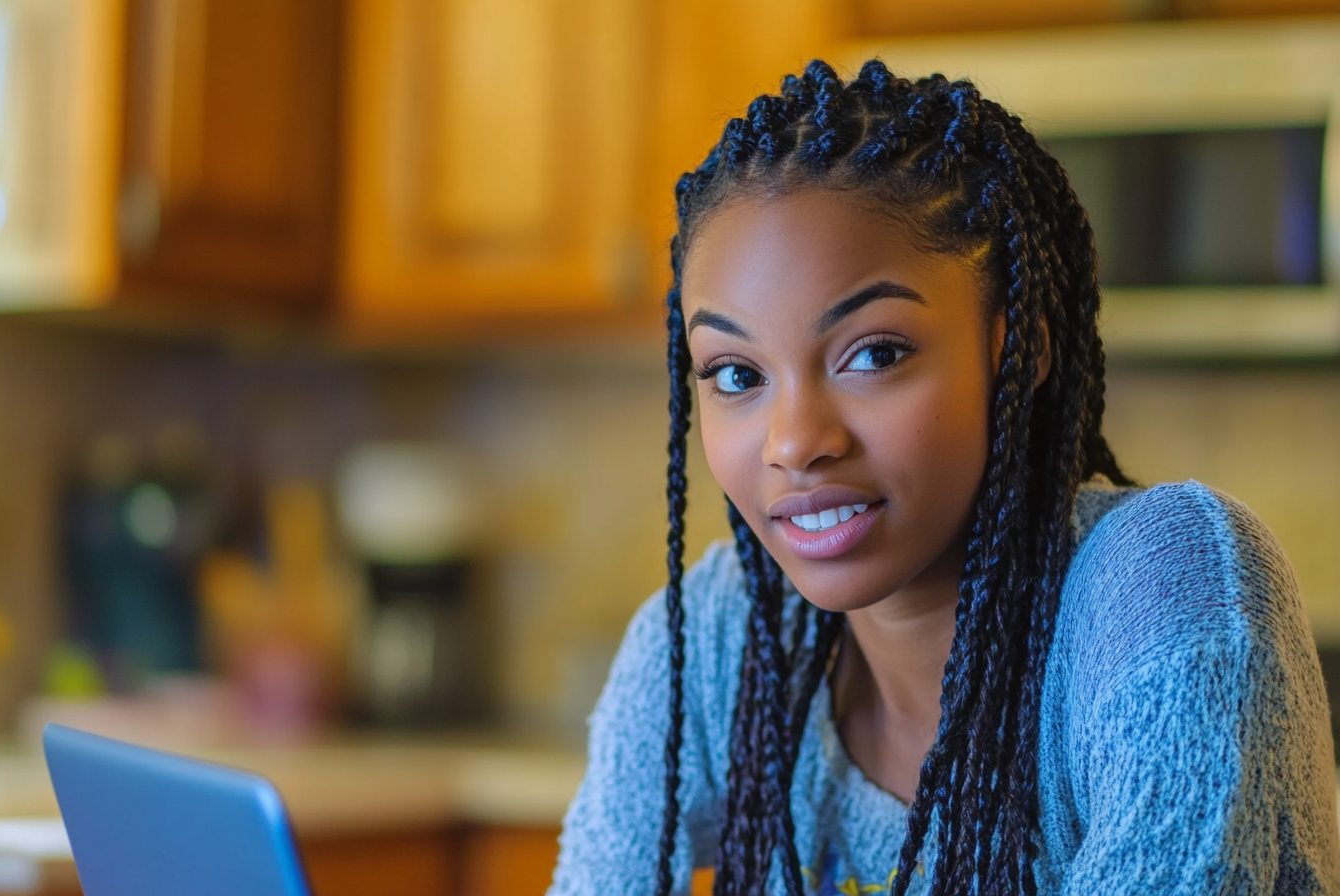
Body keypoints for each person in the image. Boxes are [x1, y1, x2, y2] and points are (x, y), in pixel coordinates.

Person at [548, 60, 1340, 896]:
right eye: (737, 375)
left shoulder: (1162, 586)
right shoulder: (720, 640)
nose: (795, 443)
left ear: (1019, 351)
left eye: (874, 355)